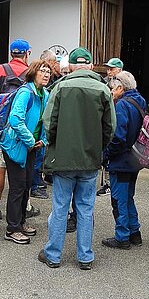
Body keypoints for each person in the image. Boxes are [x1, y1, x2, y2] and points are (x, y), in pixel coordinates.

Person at [38, 47, 116, 269]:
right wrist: (98, 147)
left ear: (70, 66)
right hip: (90, 159)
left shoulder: (61, 87)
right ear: (90, 66)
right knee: (85, 207)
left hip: (63, 158)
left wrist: (56, 143)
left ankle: (53, 254)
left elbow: (49, 122)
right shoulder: (103, 89)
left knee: (60, 206)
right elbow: (110, 127)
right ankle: (85, 256)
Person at [0, 59, 50, 245]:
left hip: (32, 147)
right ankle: (12, 229)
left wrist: (42, 141)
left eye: (48, 72)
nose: (46, 74)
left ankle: (21, 223)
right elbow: (15, 120)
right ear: (33, 72)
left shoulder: (45, 93)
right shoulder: (25, 92)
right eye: (42, 71)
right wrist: (30, 140)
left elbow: (44, 120)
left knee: (27, 184)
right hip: (16, 145)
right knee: (17, 186)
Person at [0, 39, 31, 221]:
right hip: (23, 126)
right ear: (27, 53)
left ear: (11, 53)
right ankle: (25, 205)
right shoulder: (30, 72)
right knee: (22, 165)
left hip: (2, 126)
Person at [101, 71, 146, 250]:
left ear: (120, 88)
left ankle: (122, 237)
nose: (110, 93)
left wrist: (105, 155)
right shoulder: (139, 101)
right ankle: (135, 233)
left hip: (121, 160)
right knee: (128, 197)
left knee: (118, 199)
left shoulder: (121, 106)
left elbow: (118, 137)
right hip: (135, 159)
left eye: (112, 89)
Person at [97, 57, 125, 196]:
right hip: (106, 122)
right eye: (108, 68)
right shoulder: (105, 83)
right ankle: (107, 183)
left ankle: (110, 184)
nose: (108, 71)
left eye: (111, 69)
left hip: (118, 122)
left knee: (112, 152)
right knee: (105, 154)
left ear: (119, 70)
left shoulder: (124, 84)